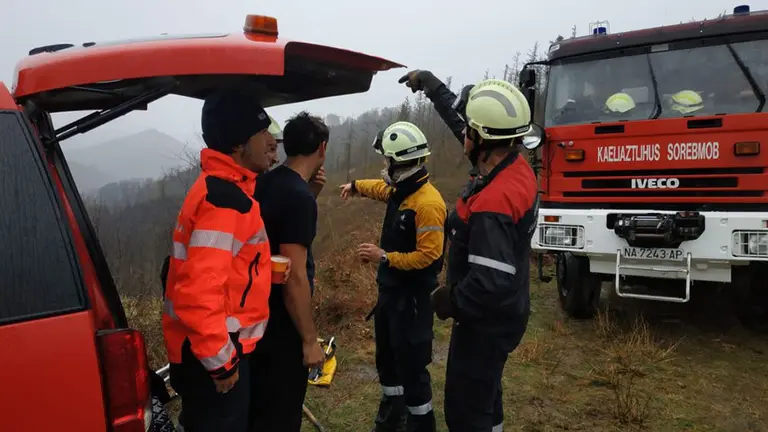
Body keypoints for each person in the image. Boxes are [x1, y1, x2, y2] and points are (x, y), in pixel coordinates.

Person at [399, 71, 539, 432]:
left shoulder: (494, 201)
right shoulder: (513, 166)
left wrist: (450, 301)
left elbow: (490, 282)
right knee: (487, 398)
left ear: (481, 140)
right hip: (508, 312)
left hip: (485, 323)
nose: (463, 134)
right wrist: (432, 87)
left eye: (468, 133)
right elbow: (465, 121)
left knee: (466, 412)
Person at [162, 91, 276, 432]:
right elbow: (198, 292)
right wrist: (222, 363)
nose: (272, 141)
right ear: (239, 145)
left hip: (205, 350)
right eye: (264, 134)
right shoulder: (225, 201)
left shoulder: (222, 189)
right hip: (214, 355)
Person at [339, 121, 445, 432]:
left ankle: (420, 423)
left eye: (388, 160)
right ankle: (392, 418)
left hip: (412, 300)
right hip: (390, 295)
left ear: (398, 162)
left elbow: (430, 256)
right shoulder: (402, 191)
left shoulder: (428, 204)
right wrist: (356, 186)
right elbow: (380, 188)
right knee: (387, 359)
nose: (385, 165)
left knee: (411, 366)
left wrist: (383, 256)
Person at [249, 111, 330, 432]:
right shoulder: (297, 197)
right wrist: (310, 340)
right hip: (282, 325)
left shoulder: (265, 182)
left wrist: (311, 195)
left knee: (259, 409)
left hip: (254, 315)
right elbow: (294, 275)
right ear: (321, 149)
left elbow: (275, 229)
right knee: (281, 415)